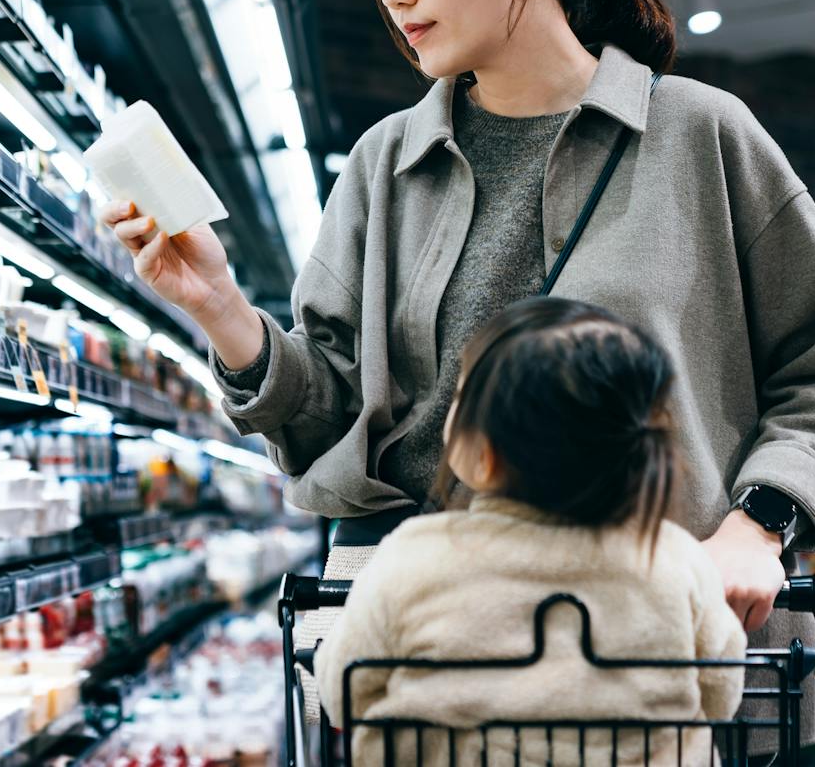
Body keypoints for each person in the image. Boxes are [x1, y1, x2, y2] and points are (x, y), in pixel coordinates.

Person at [98, 0, 815, 743]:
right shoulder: (383, 164)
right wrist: (221, 309)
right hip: (440, 687)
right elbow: (333, 416)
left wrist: (758, 525)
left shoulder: (699, 136)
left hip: (666, 664)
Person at [314, 297, 749, 766]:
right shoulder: (673, 558)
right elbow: (722, 690)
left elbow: (342, 690)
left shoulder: (412, 558)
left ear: (484, 452)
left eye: (462, 396)